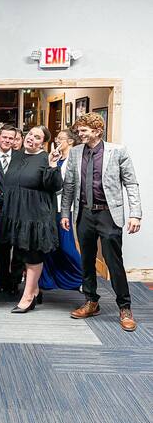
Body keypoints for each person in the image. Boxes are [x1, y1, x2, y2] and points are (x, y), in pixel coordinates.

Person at [61, 113, 142, 331]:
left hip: (108, 214)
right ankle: (91, 301)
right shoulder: (76, 152)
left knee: (113, 261)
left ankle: (125, 307)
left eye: (84, 130)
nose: (79, 134)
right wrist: (65, 213)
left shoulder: (118, 151)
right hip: (84, 214)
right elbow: (69, 186)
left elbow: (131, 183)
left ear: (97, 131)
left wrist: (135, 214)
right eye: (79, 130)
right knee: (86, 260)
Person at [0, 125, 63, 313]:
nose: (31, 138)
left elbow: (55, 186)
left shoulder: (46, 158)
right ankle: (34, 291)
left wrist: (53, 165)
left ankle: (27, 297)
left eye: (37, 137)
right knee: (22, 253)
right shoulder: (17, 156)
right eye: (30, 134)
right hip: (18, 215)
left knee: (33, 255)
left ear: (43, 143)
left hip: (36, 216)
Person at [40, 129, 83, 291]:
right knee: (50, 245)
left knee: (66, 245)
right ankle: (50, 280)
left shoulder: (75, 160)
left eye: (61, 138)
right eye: (57, 138)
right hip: (50, 207)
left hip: (65, 209)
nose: (57, 140)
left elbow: (69, 185)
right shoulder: (56, 157)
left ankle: (83, 277)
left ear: (70, 141)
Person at [0, 125, 24, 295]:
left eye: (11, 138)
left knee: (18, 244)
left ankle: (15, 280)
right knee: (2, 245)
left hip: (18, 207)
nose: (7, 141)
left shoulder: (20, 157)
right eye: (5, 137)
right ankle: (2, 280)